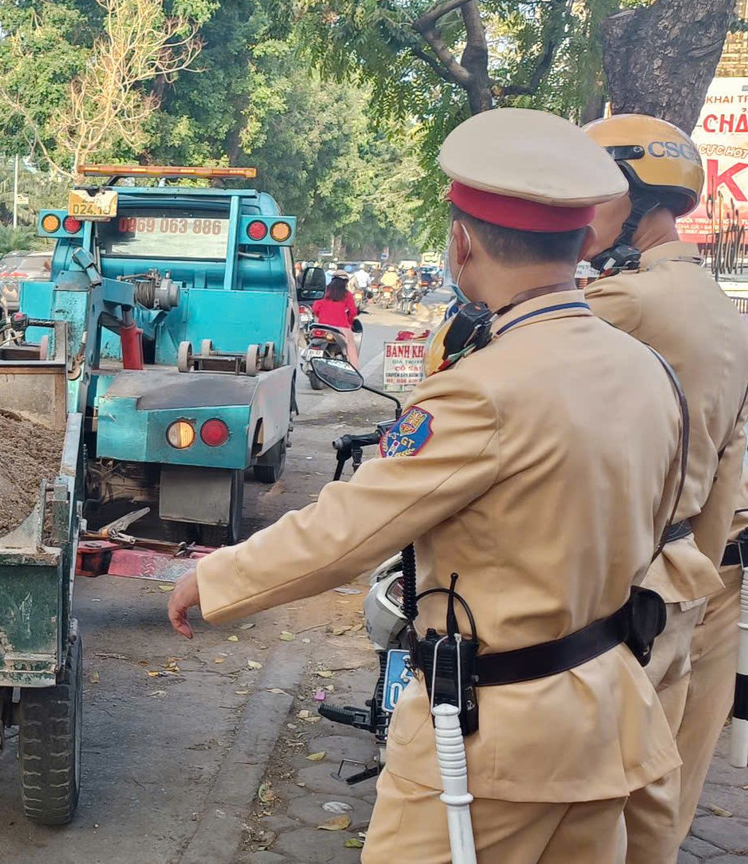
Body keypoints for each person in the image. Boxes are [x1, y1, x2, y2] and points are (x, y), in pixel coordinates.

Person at [168, 108, 684, 862]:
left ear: (462, 240)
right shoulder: (648, 368)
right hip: (609, 718)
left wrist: (215, 577)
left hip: (488, 745)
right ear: (584, 239)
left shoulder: (482, 391)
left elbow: (346, 532)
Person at [583, 114, 748, 859]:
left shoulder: (628, 302)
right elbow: (726, 470)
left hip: (641, 593)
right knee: (665, 802)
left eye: (594, 193)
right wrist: (699, 580)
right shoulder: (723, 311)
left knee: (599, 802)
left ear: (633, 197)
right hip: (707, 582)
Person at [311, 272, 360, 366]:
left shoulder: (323, 293)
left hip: (322, 326)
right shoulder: (347, 295)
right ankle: (353, 368)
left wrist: (321, 316)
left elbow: (315, 309)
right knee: (350, 347)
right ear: (345, 282)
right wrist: (349, 322)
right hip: (341, 328)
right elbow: (352, 312)